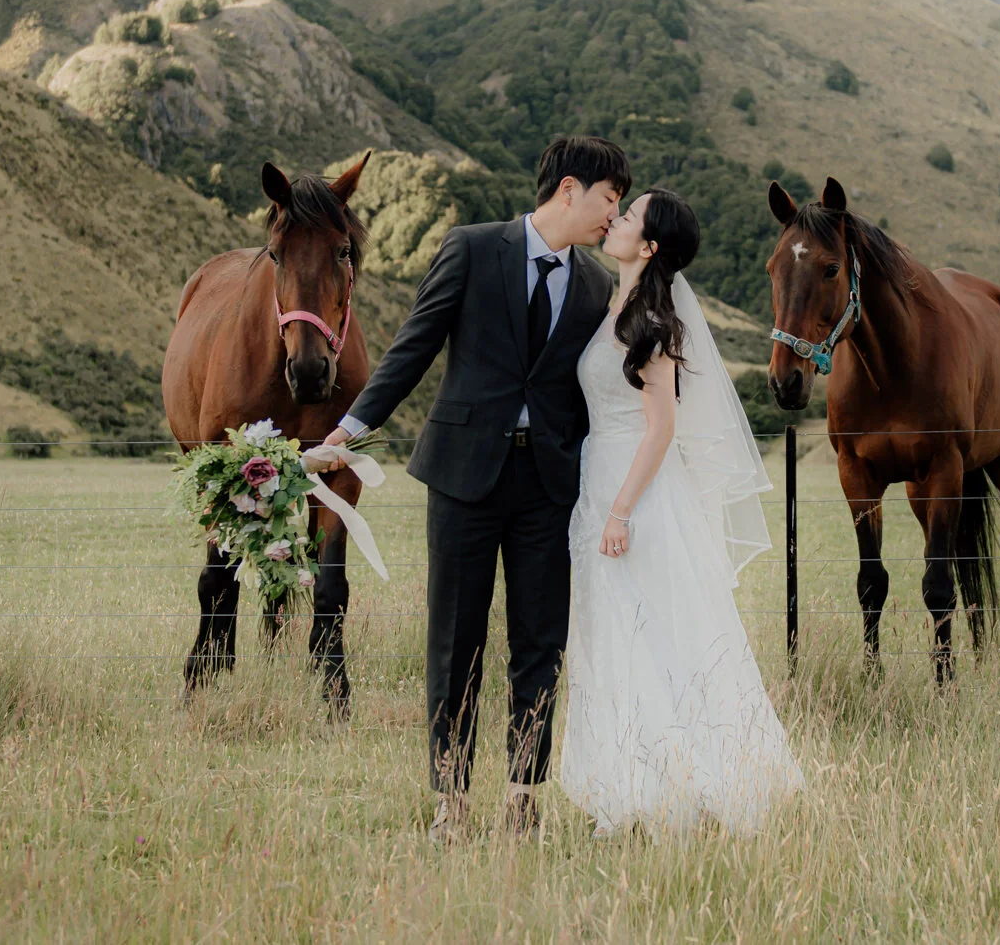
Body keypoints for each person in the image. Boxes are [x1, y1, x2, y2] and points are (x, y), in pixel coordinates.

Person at [316, 135, 627, 842]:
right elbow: (414, 345)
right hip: (462, 477)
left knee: (538, 645)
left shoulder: (595, 286)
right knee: (455, 643)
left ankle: (522, 801)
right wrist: (350, 428)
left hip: (550, 486)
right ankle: (450, 806)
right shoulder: (471, 245)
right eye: (611, 198)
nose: (616, 213)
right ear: (571, 189)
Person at [558, 187, 802, 835]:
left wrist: (621, 510)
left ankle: (676, 784)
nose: (616, 219)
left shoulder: (653, 322)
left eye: (629, 215)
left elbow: (661, 427)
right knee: (610, 632)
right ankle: (625, 781)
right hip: (598, 484)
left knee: (653, 633)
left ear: (649, 246)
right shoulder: (612, 302)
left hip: (634, 494)